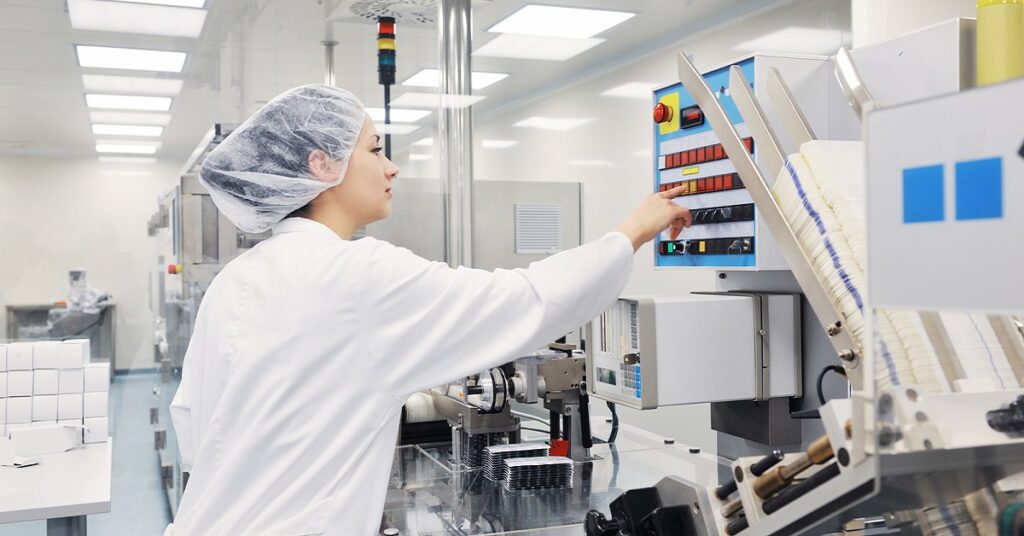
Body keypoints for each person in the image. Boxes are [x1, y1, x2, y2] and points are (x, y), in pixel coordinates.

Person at [166, 84, 692, 535]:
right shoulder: (355, 276)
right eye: (375, 150)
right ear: (321, 163)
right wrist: (631, 232)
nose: (391, 166)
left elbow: (193, 427)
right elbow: (529, 300)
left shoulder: (236, 280)